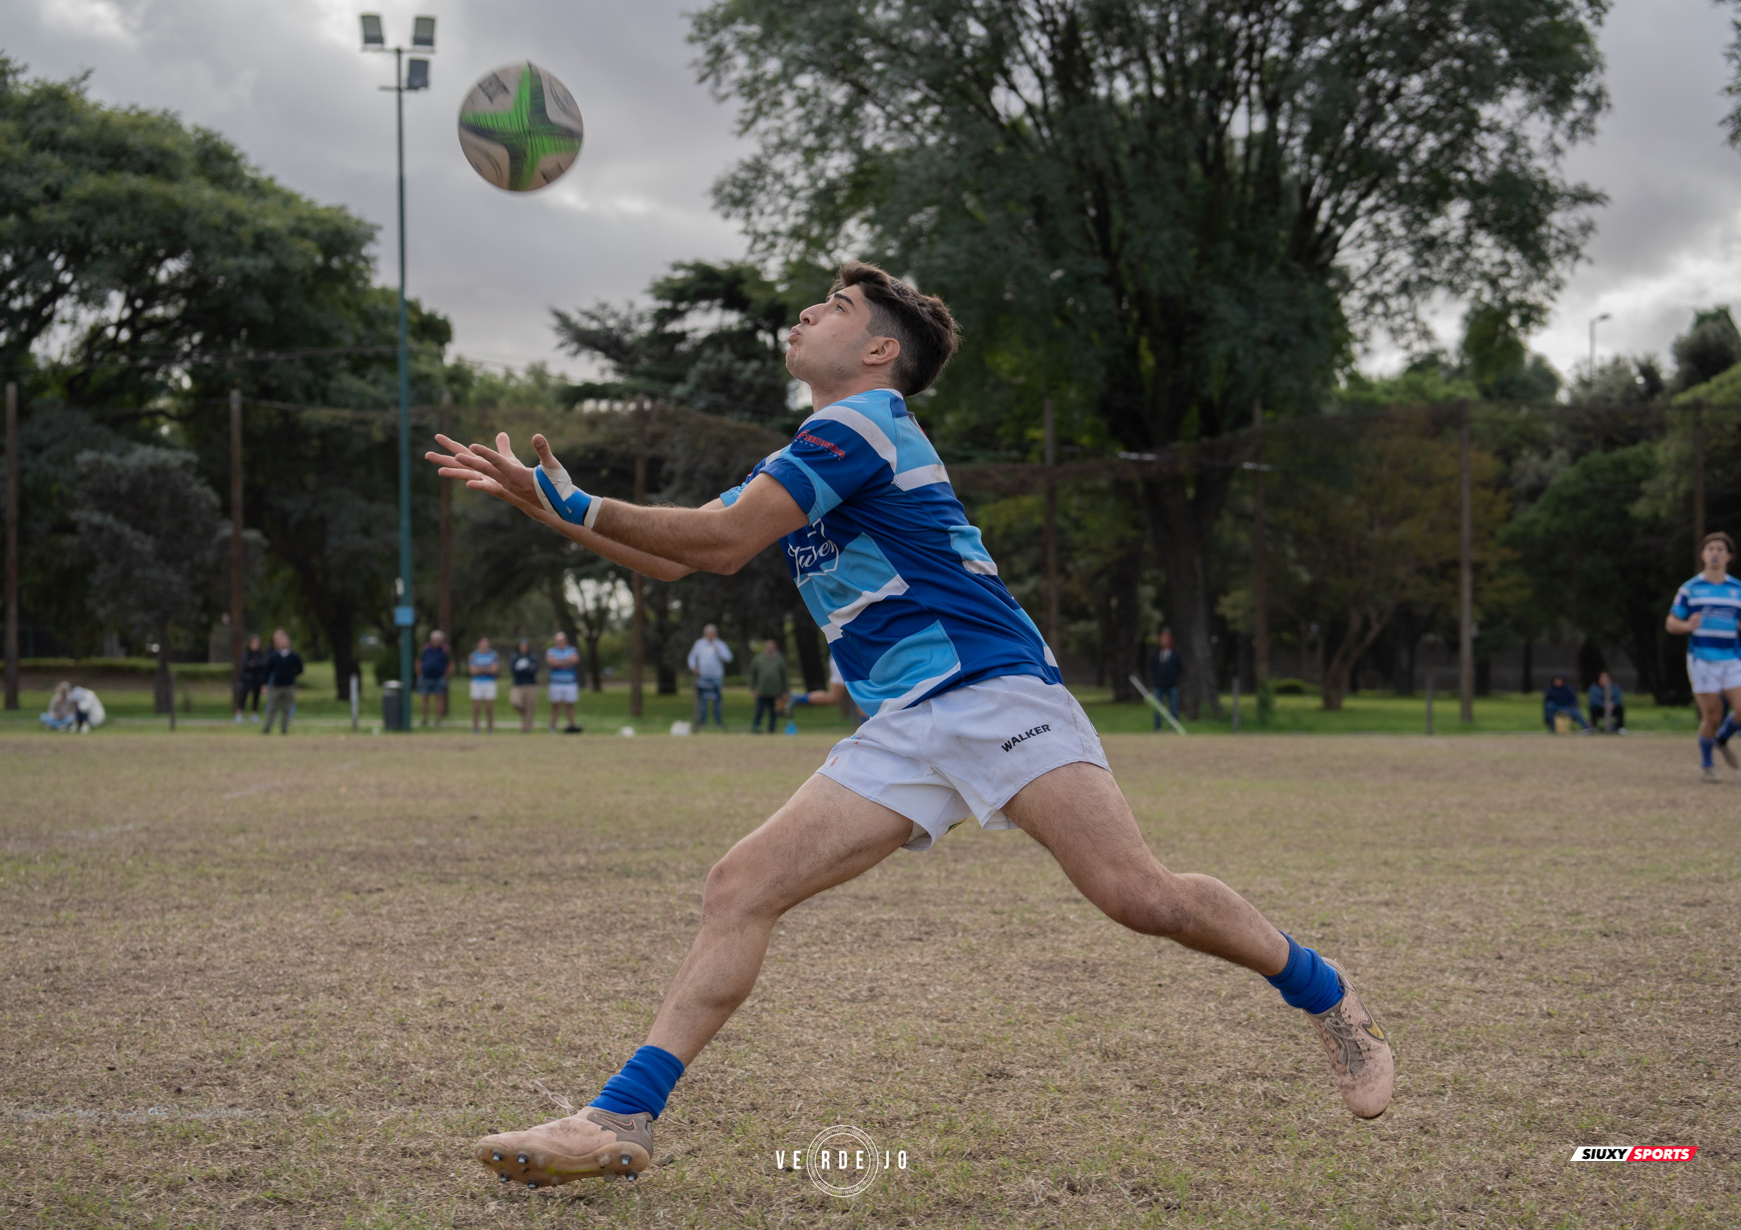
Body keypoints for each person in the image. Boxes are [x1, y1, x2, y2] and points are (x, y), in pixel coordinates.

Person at [429, 259, 1393, 1191]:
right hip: (903, 722)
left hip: (993, 688)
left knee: (1140, 898)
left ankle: (1325, 993)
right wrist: (542, 504)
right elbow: (679, 558)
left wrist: (567, 496)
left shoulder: (866, 426)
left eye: (834, 305)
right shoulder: (802, 455)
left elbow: (716, 545)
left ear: (881, 351)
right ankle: (619, 1121)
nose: (806, 314)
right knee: (741, 885)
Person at [1665, 531, 1741, 782]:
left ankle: (1721, 739)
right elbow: (1671, 622)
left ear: (1729, 556)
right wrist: (1686, 626)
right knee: (1713, 715)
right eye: (1710, 549)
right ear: (1703, 555)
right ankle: (1708, 765)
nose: (1715, 553)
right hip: (1702, 659)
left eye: (1720, 549)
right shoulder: (1690, 589)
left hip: (1731, 658)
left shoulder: (1737, 589)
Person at [687, 624, 733, 730]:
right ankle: (702, 722)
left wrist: (718, 650)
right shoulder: (699, 644)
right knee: (703, 699)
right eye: (708, 633)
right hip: (703, 676)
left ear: (715, 634)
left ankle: (718, 722)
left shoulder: (720, 644)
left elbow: (728, 658)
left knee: (717, 700)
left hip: (717, 676)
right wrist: (693, 667)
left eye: (712, 633)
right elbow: (692, 656)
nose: (710, 635)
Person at [260, 629, 303, 735]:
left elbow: (300, 668)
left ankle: (284, 729)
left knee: (287, 709)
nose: (283, 642)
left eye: (285, 640)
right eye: (281, 641)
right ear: (277, 643)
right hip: (276, 686)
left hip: (289, 686)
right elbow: (267, 670)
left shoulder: (293, 656)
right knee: (272, 709)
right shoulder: (273, 656)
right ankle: (267, 729)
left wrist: (292, 675)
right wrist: (264, 684)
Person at [748, 638, 790, 733]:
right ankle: (756, 729)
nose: (770, 649)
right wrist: (753, 689)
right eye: (768, 647)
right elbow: (753, 675)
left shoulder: (779, 660)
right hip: (762, 691)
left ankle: (771, 730)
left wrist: (785, 691)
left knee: (774, 712)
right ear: (765, 648)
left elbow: (785, 677)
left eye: (772, 647)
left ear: (775, 648)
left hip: (776, 692)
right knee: (759, 712)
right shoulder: (758, 659)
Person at [545, 631, 582, 733]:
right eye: (558, 641)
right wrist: (566, 662)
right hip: (555, 683)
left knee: (569, 705)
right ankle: (552, 727)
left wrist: (559, 662)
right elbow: (552, 662)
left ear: (565, 641)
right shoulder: (551, 651)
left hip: (570, 683)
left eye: (561, 640)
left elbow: (574, 660)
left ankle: (572, 726)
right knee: (555, 706)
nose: (560, 642)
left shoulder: (572, 650)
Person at [1148, 628, 1183, 731]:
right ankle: (1158, 728)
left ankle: (1173, 727)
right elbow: (1152, 667)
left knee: (1173, 707)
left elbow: (1179, 668)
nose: (1164, 641)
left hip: (1172, 685)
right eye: (1162, 639)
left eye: (1166, 639)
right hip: (1159, 685)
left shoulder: (1175, 653)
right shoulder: (1156, 654)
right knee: (1158, 707)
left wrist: (1173, 678)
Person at [418, 629, 452, 727]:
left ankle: (437, 720)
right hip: (425, 677)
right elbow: (419, 661)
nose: (436, 641)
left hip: (439, 677)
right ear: (431, 639)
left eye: (438, 639)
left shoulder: (445, 650)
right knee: (425, 698)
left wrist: (446, 675)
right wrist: (420, 673)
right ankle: (424, 719)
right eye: (434, 639)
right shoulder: (425, 649)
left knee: (439, 698)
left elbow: (450, 663)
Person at [509, 637, 541, 733]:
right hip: (518, 684)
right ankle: (524, 714)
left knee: (530, 707)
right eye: (521, 645)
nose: (523, 647)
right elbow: (514, 671)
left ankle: (526, 729)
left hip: (531, 685)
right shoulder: (514, 657)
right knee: (515, 702)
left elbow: (534, 671)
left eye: (525, 645)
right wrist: (527, 670)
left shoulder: (533, 657)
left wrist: (522, 670)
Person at [468, 636, 499, 733]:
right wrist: (487, 669)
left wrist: (480, 669)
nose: (484, 646)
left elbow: (494, 670)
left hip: (489, 683)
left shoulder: (493, 655)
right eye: (482, 643)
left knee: (489, 707)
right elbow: (472, 671)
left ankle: (490, 728)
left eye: (486, 644)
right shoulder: (473, 655)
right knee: (476, 707)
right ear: (479, 644)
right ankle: (476, 728)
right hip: (476, 683)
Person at [234, 635, 266, 723]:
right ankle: (239, 714)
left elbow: (262, 666)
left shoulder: (260, 654)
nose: (255, 645)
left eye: (257, 643)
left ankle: (253, 715)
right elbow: (246, 666)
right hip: (247, 679)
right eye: (253, 643)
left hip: (257, 679)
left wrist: (254, 664)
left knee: (256, 697)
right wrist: (255, 665)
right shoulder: (246, 654)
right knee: (243, 697)